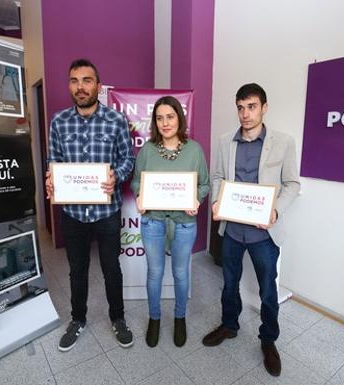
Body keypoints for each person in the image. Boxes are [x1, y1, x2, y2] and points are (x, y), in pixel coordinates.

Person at [202, 83, 300, 376]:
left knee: (268, 289)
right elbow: (218, 176)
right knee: (229, 283)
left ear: (264, 108)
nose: (245, 114)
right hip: (232, 229)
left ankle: (268, 340)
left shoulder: (283, 142)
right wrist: (218, 201)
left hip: (263, 233)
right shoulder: (224, 141)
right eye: (241, 107)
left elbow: (292, 184)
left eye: (252, 107)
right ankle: (229, 325)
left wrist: (275, 210)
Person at [45, 58, 135, 351]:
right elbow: (53, 161)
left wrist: (116, 176)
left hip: (106, 211)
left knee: (111, 268)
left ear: (98, 85)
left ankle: (118, 318)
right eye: (74, 80)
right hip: (72, 213)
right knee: (77, 270)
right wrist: (50, 178)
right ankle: (78, 319)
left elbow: (128, 160)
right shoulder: (58, 122)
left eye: (86, 80)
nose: (80, 87)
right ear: (69, 85)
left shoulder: (116, 120)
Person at [131, 96, 210, 348]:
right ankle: (154, 318)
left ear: (179, 118)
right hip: (153, 221)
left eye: (170, 116)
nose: (165, 123)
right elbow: (136, 181)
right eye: (159, 118)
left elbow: (205, 183)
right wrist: (140, 195)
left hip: (184, 222)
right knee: (154, 273)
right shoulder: (147, 150)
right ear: (155, 122)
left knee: (180, 273)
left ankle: (179, 318)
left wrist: (196, 198)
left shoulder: (194, 150)